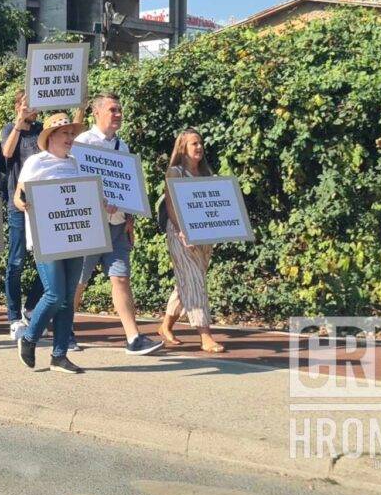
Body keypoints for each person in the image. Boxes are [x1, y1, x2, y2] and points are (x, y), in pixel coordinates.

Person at [73, 93, 164, 357]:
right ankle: (65, 331)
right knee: (79, 282)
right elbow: (75, 183)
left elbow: (127, 186)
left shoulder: (122, 147)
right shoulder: (82, 143)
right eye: (112, 110)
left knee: (121, 278)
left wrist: (130, 216)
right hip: (91, 225)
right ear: (97, 113)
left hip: (117, 224)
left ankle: (133, 337)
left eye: (120, 110)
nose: (118, 114)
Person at [15, 113, 105, 374]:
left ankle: (59, 355)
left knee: (67, 298)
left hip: (75, 237)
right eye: (65, 133)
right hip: (46, 238)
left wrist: (98, 204)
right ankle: (29, 337)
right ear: (51, 136)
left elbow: (82, 197)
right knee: (54, 294)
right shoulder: (36, 162)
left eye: (72, 134)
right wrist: (23, 203)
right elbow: (18, 196)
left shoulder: (76, 163)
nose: (70, 138)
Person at [160, 129, 226, 352]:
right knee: (196, 280)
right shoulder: (175, 172)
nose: (199, 147)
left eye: (200, 143)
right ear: (183, 148)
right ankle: (205, 335)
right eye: (194, 144)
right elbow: (170, 205)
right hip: (181, 233)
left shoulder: (207, 173)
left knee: (187, 281)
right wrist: (182, 231)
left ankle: (165, 326)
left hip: (205, 235)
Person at [0, 91, 46, 340]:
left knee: (47, 259)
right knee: (16, 261)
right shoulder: (10, 129)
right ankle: (14, 317)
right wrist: (19, 122)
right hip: (19, 205)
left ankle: (32, 305)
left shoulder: (43, 130)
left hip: (45, 205)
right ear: (17, 106)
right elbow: (6, 154)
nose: (32, 109)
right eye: (27, 104)